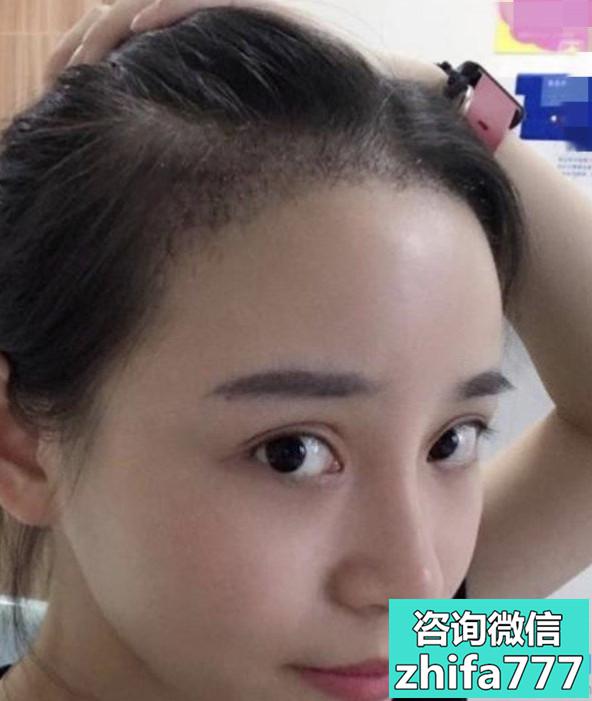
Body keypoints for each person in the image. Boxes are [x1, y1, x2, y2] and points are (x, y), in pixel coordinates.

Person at [0, 1, 591, 700]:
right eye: (292, 452)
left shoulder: (416, 658)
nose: (419, 581)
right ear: (25, 445)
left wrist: (440, 97)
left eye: (450, 442)